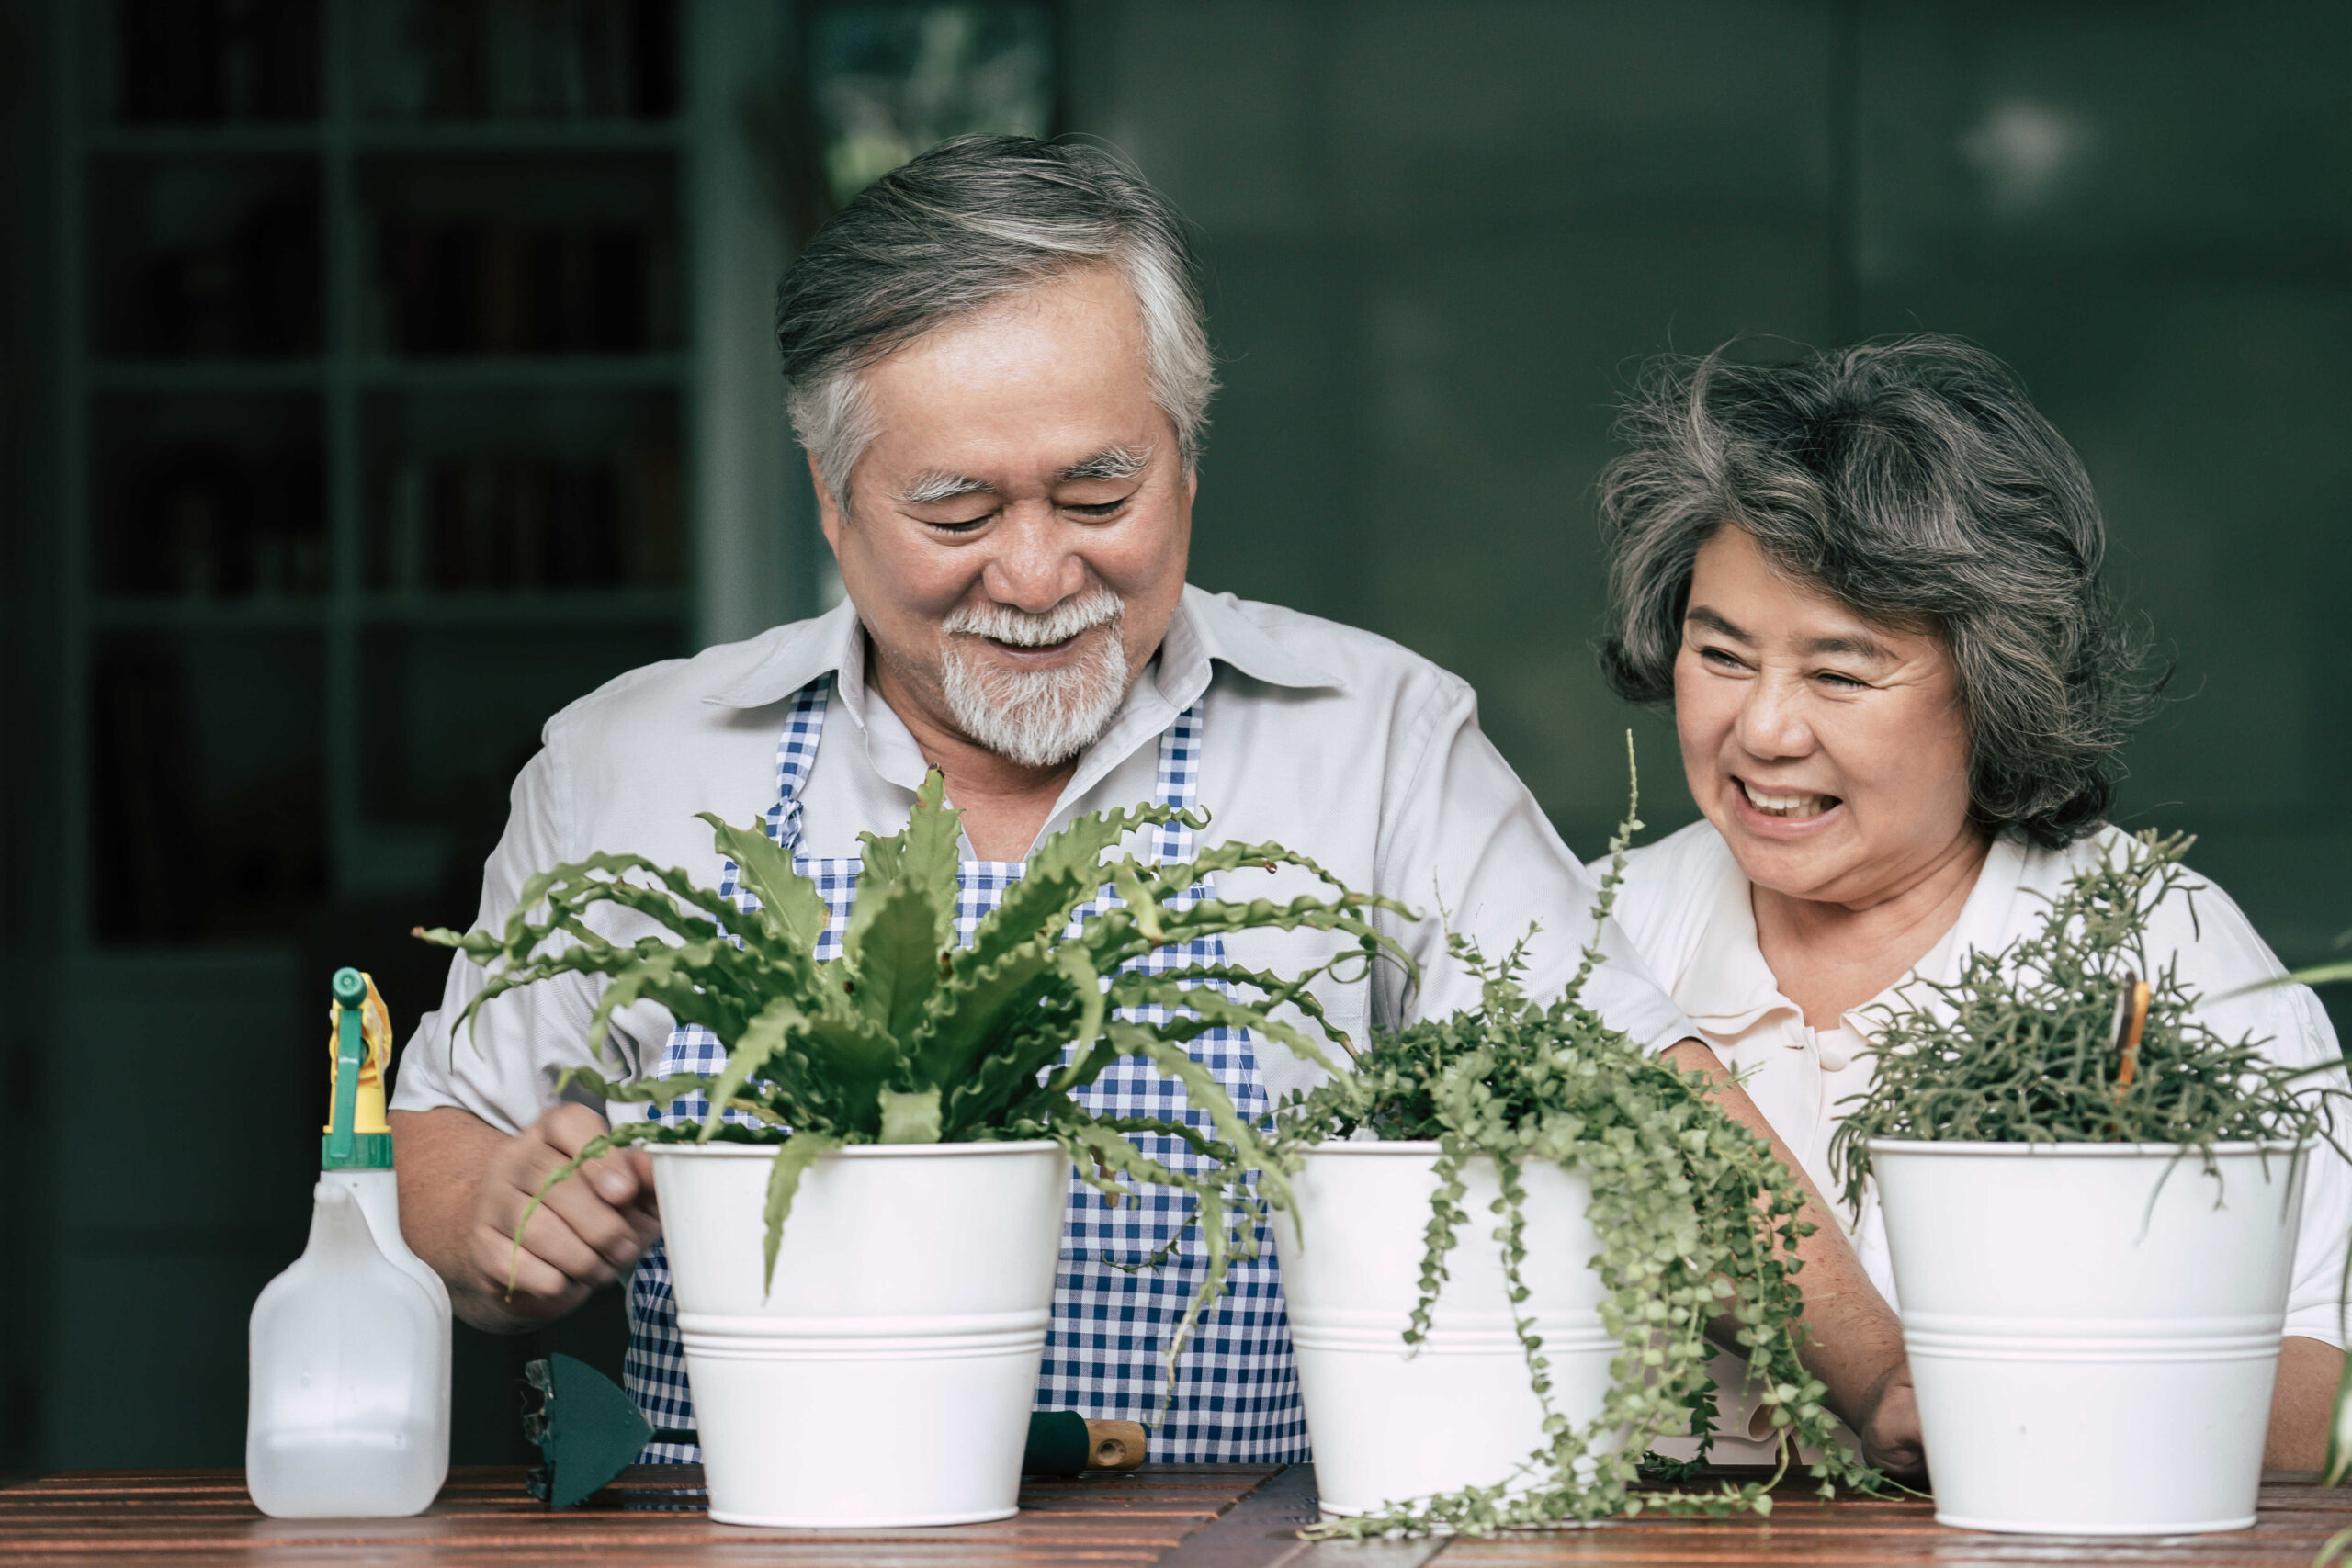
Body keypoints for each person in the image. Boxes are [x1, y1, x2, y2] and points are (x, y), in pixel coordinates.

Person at [386, 136, 1702, 1465]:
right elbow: (451, 1129)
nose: (1033, 572)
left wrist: (1881, 1373)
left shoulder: (1379, 742)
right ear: (833, 504)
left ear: (1185, 463)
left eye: (1098, 491)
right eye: (955, 512)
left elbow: (1631, 1088)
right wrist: (497, 1216)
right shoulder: (640, 757)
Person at [1591, 335, 2351, 1471]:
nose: (1762, 730)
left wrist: (2004, 1413)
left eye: (1841, 673)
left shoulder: (2166, 953)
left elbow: (2322, 1393)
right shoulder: (1593, 932)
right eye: (1722, 654)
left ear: (1993, 688)